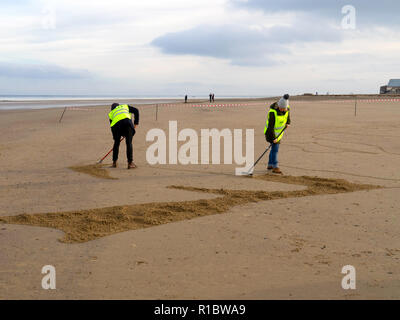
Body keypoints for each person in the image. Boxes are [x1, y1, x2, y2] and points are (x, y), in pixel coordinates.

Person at [264, 94, 291, 174]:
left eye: (285, 109)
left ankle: (270, 164)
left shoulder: (287, 109)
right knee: (275, 149)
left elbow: (288, 117)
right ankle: (275, 166)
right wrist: (273, 138)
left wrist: (288, 123)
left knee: (273, 149)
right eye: (282, 108)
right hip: (270, 133)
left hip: (279, 134)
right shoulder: (272, 112)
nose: (283, 110)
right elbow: (270, 127)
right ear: (278, 106)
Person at [108, 103, 139, 169]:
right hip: (127, 124)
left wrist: (116, 138)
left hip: (117, 127)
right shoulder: (125, 106)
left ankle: (114, 162)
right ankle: (130, 163)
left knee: (116, 143)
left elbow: (112, 126)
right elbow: (136, 110)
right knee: (129, 143)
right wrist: (136, 123)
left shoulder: (111, 113)